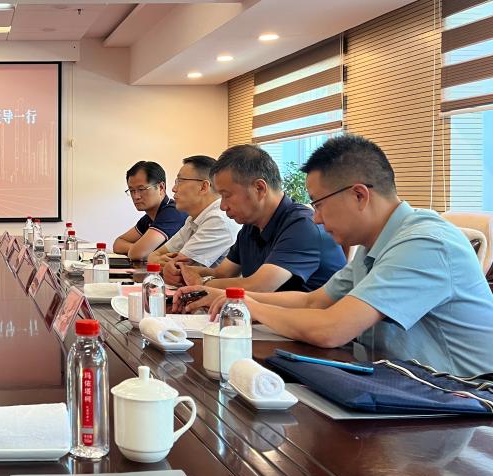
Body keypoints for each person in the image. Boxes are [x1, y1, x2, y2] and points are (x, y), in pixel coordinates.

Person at [203, 135, 493, 376]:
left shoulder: (425, 243)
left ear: (359, 195)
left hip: (466, 398)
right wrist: (235, 298)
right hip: (408, 386)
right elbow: (313, 301)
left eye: (318, 204)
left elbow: (332, 329)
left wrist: (252, 308)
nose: (316, 218)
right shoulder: (374, 244)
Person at [173, 144, 344, 312]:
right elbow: (222, 273)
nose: (223, 206)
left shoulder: (303, 225)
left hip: (308, 324)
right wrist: (182, 272)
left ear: (259, 188)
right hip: (269, 321)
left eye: (227, 195)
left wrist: (202, 284)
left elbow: (259, 287)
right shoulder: (251, 225)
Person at [149, 155, 240, 286]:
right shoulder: (194, 218)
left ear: (203, 187)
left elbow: (178, 269)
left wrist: (156, 260)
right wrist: (155, 258)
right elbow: (156, 254)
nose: (174, 188)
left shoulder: (219, 219)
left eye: (180, 181)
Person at [113, 161, 188, 261]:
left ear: (161, 187)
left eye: (141, 189)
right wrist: (140, 250)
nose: (136, 196)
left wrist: (141, 251)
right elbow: (118, 243)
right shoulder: (149, 217)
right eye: (131, 190)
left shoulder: (173, 212)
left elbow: (137, 253)